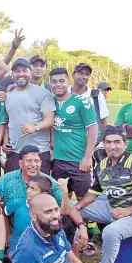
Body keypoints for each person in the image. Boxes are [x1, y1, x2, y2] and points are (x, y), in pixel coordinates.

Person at [73, 125, 132, 263]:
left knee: (110, 232)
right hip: (111, 207)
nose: (112, 146)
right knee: (71, 209)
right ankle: (73, 255)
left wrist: (128, 210)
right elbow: (95, 191)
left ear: (125, 143)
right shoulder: (102, 164)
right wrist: (78, 206)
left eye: (117, 142)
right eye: (108, 142)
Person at [49, 68, 98, 200]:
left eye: (61, 81)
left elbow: (93, 129)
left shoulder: (82, 101)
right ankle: (65, 221)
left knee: (83, 199)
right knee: (61, 197)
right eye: (54, 82)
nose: (58, 84)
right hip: (58, 161)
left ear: (68, 82)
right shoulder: (50, 102)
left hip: (78, 161)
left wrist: (88, 157)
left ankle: (82, 221)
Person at [3, 58, 55, 174]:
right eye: (17, 71)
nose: (21, 74)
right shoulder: (8, 96)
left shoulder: (43, 93)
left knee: (39, 189)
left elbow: (50, 120)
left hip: (38, 152)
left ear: (30, 73)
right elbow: (7, 122)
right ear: (12, 75)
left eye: (24, 70)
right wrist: (5, 141)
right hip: (15, 152)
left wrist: (35, 127)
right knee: (12, 189)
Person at [69, 63, 109, 137]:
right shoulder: (65, 93)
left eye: (87, 74)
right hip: (68, 142)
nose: (84, 77)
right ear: (73, 75)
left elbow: (103, 122)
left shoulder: (97, 95)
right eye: (80, 73)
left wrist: (103, 141)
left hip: (91, 142)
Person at [114, 79, 132, 155]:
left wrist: (127, 129)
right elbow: (116, 130)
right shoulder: (125, 108)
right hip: (125, 154)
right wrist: (127, 128)